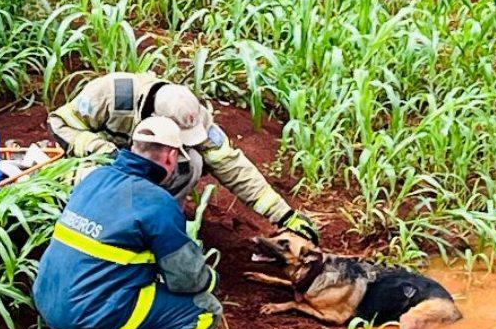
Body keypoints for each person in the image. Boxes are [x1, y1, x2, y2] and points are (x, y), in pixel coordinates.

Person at [32, 117, 222, 329]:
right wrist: (211, 278)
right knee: (202, 310)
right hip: (87, 315)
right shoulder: (156, 202)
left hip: (48, 302)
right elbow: (188, 279)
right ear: (171, 156)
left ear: (134, 147)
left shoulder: (94, 177)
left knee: (122, 283)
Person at [47, 71, 319, 242]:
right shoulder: (112, 94)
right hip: (104, 164)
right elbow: (60, 122)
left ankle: (160, 226)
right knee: (90, 175)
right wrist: (98, 148)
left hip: (144, 166)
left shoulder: (194, 115)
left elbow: (230, 164)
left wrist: (283, 215)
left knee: (193, 163)